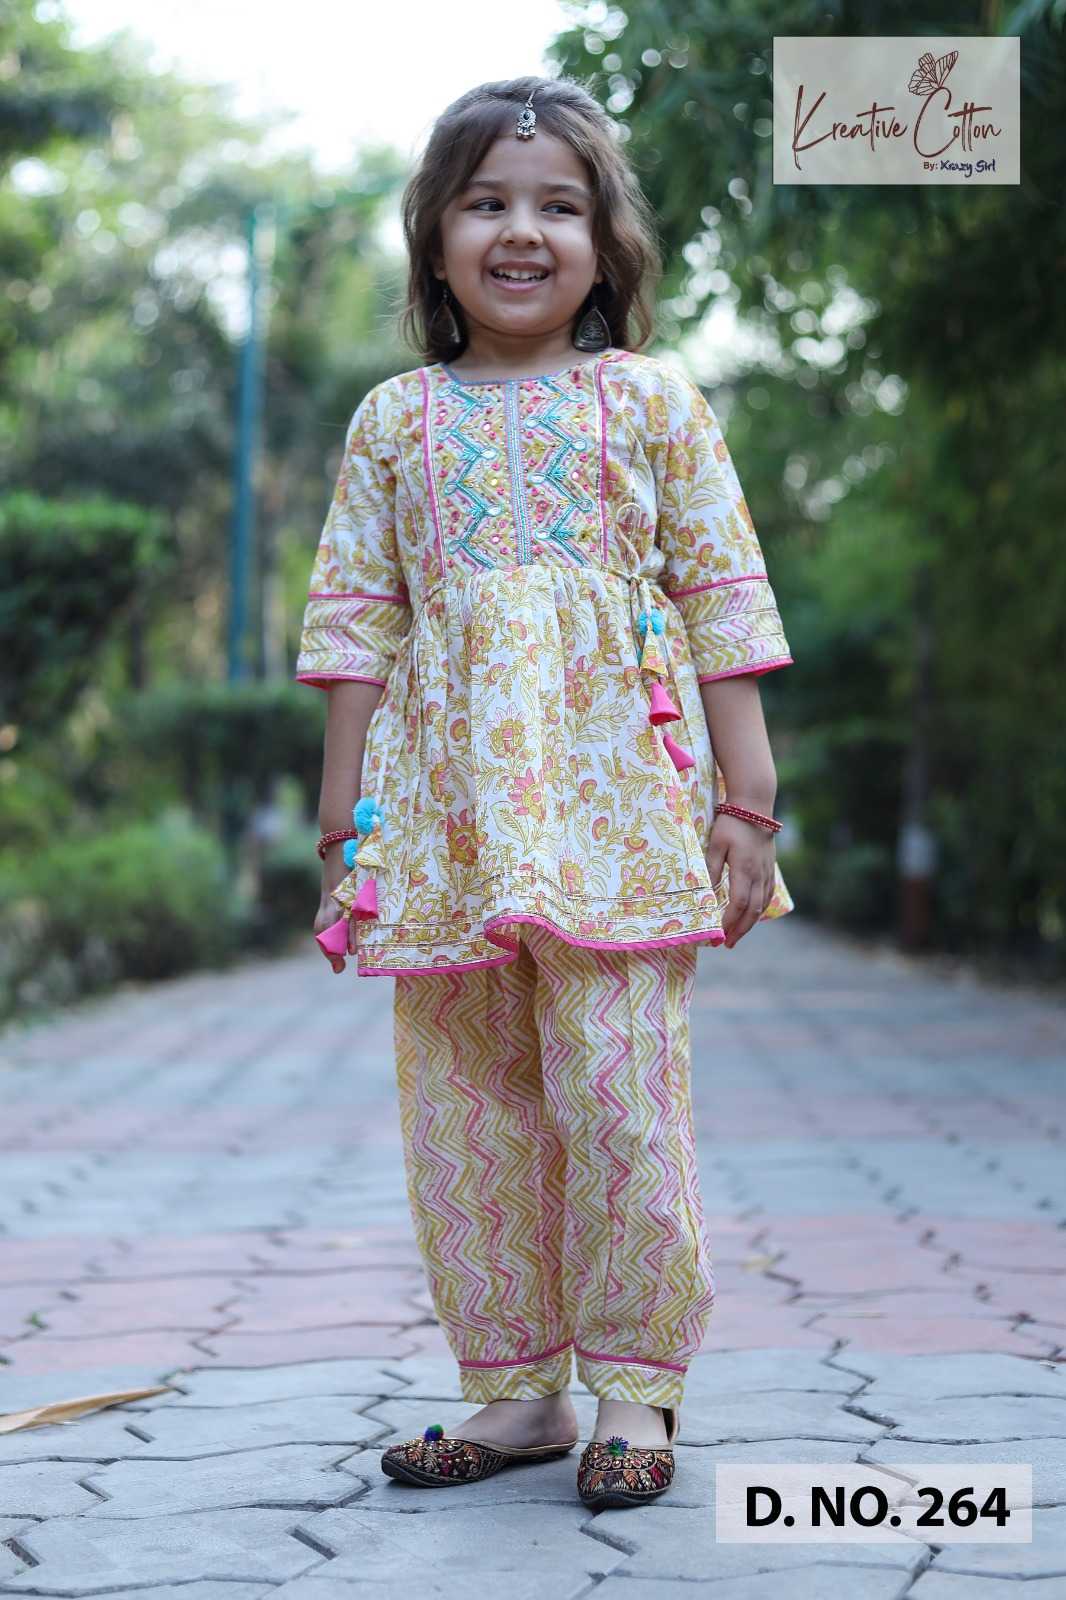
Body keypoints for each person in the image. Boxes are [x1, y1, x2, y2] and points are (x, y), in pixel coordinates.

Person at [295, 77, 795, 1510]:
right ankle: (516, 1391)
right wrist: (344, 824)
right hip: (443, 824)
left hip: (619, 810)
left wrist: (748, 797)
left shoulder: (650, 399)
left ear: (605, 240)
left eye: (557, 206)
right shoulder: (394, 421)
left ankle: (636, 1385)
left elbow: (719, 590)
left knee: (617, 1096)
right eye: (487, 203)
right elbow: (356, 624)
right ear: (435, 237)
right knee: (467, 1110)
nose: (521, 231)